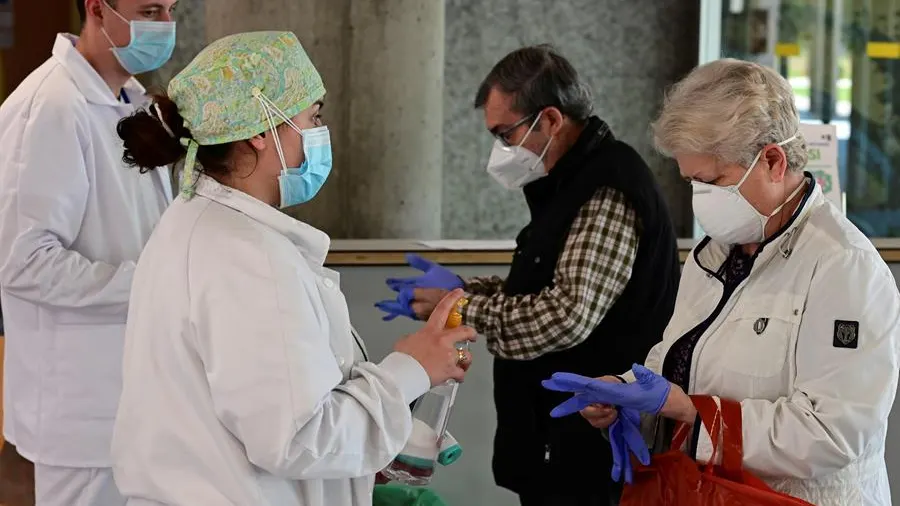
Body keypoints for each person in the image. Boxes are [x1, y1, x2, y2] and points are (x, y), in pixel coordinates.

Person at [111, 31, 476, 506]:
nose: (321, 133)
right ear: (262, 130)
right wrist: (413, 369)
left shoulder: (196, 223)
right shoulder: (246, 256)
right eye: (314, 116)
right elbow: (298, 438)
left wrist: (375, 453)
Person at [562, 59, 900, 506]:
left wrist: (689, 412)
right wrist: (629, 396)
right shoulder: (716, 252)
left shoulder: (843, 266)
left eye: (713, 181)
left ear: (774, 161)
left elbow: (832, 434)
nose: (702, 199)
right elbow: (678, 360)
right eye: (692, 183)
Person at [377, 44, 680, 506]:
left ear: (551, 120)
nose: (500, 150)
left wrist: (463, 307)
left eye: (505, 134)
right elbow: (543, 287)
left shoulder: (608, 188)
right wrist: (459, 292)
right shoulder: (563, 186)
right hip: (549, 441)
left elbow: (566, 314)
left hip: (593, 443)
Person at [0, 1, 177, 504]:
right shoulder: (51, 106)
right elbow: (24, 262)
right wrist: (153, 284)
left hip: (135, 397)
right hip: (82, 409)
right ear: (97, 8)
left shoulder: (131, 102)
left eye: (170, 9)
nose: (164, 26)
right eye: (148, 10)